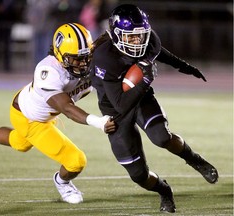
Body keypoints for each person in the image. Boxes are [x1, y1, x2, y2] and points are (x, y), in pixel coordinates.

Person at [0, 23, 116, 204]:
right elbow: (66, 108)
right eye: (76, 59)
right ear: (60, 55)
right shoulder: (49, 71)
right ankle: (63, 182)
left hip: (32, 106)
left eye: (86, 57)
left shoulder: (85, 57)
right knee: (76, 160)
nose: (83, 64)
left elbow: (102, 43)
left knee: (20, 143)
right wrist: (97, 122)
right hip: (31, 118)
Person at [89, 4, 218, 213]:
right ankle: (164, 190)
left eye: (140, 36)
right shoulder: (105, 57)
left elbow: (158, 52)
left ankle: (194, 159)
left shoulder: (148, 40)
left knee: (161, 137)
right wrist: (144, 80)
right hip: (114, 109)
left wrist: (185, 67)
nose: (136, 41)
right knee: (138, 175)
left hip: (140, 97)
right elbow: (120, 104)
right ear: (115, 35)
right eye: (130, 37)